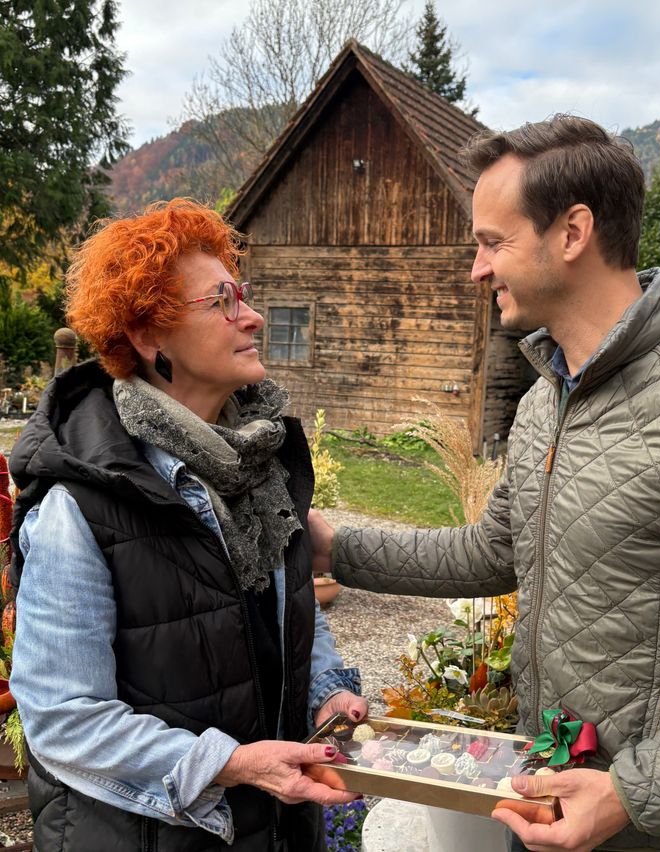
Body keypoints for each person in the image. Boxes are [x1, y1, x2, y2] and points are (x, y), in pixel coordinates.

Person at [309, 115, 660, 852]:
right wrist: (335, 546)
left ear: (572, 233)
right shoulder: (545, 400)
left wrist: (635, 793)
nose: (477, 268)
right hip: (546, 795)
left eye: (492, 242)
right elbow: (493, 551)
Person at [9, 199, 366, 851]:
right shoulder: (81, 507)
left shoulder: (260, 465)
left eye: (245, 295)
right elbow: (63, 720)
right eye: (224, 301)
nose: (252, 316)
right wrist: (232, 765)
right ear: (150, 337)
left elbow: (284, 612)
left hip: (278, 828)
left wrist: (323, 695)